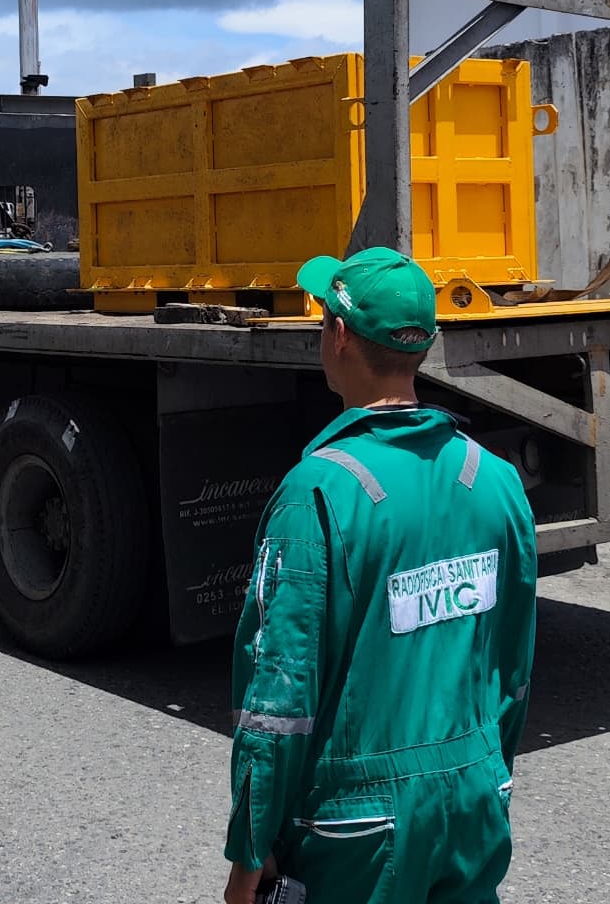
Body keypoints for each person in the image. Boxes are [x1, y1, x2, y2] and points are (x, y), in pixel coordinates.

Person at [223, 248, 538, 904]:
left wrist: (249, 857)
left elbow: (279, 698)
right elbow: (512, 667)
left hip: (357, 831)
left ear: (338, 336)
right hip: (473, 799)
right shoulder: (497, 483)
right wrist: (485, 777)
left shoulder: (319, 493)